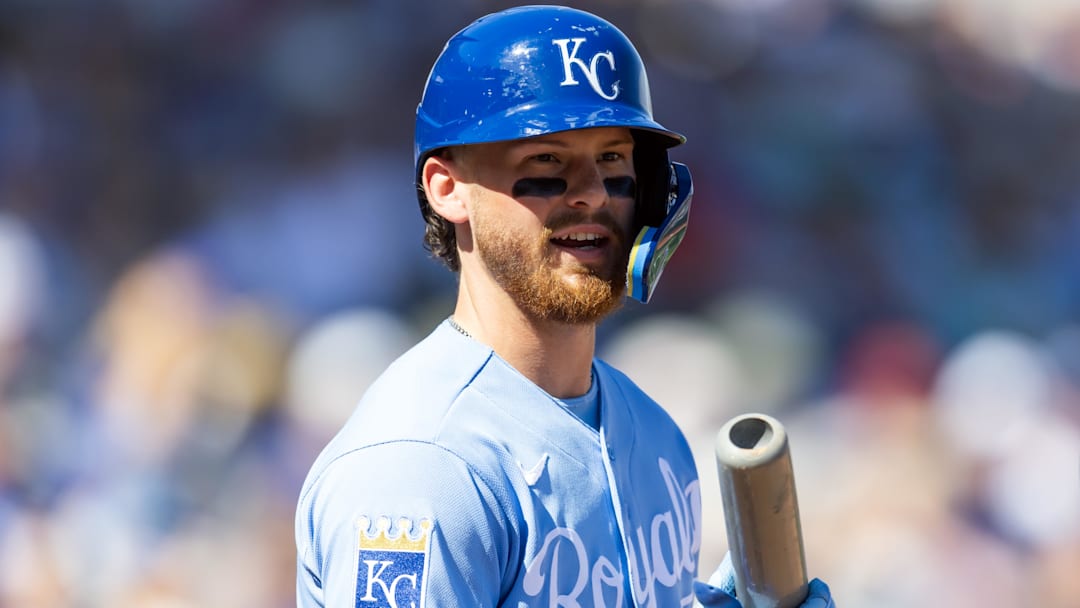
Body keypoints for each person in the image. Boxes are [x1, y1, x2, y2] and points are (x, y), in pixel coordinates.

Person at [295, 5, 834, 607]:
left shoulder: (653, 434)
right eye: (547, 162)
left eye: (613, 161)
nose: (592, 195)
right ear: (448, 189)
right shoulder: (424, 466)